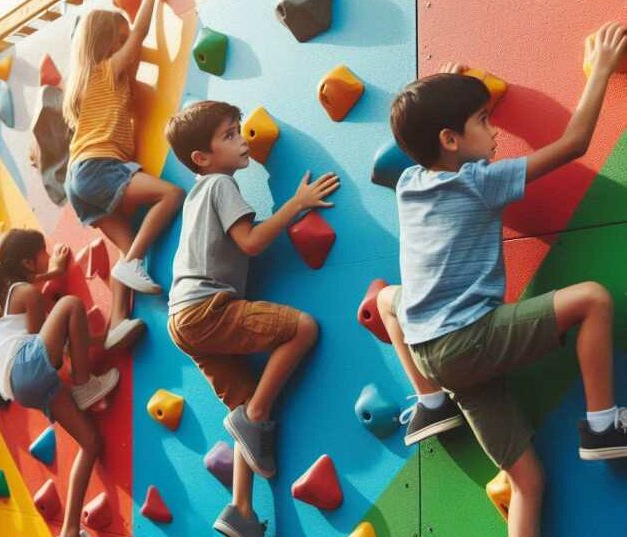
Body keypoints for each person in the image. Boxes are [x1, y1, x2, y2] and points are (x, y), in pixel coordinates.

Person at [378, 21, 627, 537]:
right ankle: (604, 424)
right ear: (449, 139)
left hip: (435, 358)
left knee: (528, 482)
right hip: (467, 342)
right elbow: (576, 142)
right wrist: (600, 69)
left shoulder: (409, 183)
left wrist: (447, 91)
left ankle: (428, 402)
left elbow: (421, 138)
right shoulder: (478, 183)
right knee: (593, 300)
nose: (494, 132)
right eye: (483, 120)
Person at [164, 100, 339, 537]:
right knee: (303, 328)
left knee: (242, 407)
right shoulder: (220, 185)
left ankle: (240, 509)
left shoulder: (197, 196)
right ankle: (257, 413)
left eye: (239, 130)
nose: (242, 140)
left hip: (183, 319)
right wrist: (297, 204)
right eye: (229, 135)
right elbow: (252, 242)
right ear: (202, 159)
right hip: (208, 309)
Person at [0, 228, 120, 537]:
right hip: (28, 367)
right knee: (70, 304)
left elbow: (58, 343)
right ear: (30, 263)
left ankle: (69, 530)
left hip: (25, 386)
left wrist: (103, 340)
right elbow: (49, 347)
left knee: (91, 442)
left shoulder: (13, 294)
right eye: (43, 251)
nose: (49, 254)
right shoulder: (27, 293)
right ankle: (84, 385)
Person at [63, 0, 184, 351]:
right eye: (119, 40)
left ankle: (117, 321)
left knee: (128, 246)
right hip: (99, 167)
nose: (127, 46)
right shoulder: (107, 70)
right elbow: (142, 34)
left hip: (79, 180)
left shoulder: (86, 82)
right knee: (171, 195)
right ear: (104, 44)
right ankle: (131, 265)